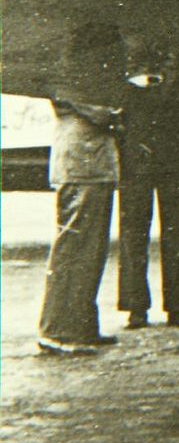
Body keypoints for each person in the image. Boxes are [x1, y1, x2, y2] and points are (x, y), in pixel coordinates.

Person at [37, 23, 128, 355]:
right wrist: (110, 115)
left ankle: (80, 326)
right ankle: (57, 330)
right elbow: (96, 113)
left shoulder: (75, 81)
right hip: (83, 167)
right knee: (75, 250)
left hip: (93, 167)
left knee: (88, 252)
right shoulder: (72, 83)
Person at [118, 49, 179, 330]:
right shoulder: (127, 63)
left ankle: (177, 309)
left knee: (176, 234)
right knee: (134, 234)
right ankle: (136, 309)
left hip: (176, 159)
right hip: (137, 161)